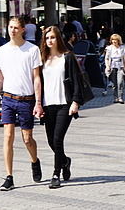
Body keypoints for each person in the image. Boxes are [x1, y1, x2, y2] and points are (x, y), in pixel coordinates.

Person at [0, 16, 43, 191]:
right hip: (8, 98)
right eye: (10, 27)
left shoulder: (32, 50)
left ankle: (35, 161)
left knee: (27, 139)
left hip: (26, 99)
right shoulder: (2, 51)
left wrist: (38, 102)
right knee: (8, 136)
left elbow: (37, 78)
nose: (12, 30)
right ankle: (9, 176)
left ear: (23, 30)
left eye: (15, 28)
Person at [39, 26, 87, 189]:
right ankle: (65, 161)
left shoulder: (67, 57)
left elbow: (76, 80)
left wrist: (75, 102)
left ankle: (55, 174)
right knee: (51, 142)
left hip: (64, 104)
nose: (50, 40)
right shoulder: (42, 59)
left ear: (58, 38)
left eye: (52, 37)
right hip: (47, 105)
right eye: (47, 38)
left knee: (58, 140)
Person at [104, 34, 125, 103]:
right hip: (112, 66)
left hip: (120, 66)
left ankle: (120, 97)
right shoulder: (109, 48)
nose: (114, 42)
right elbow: (106, 58)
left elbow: (124, 58)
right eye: (112, 40)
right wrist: (107, 66)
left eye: (115, 40)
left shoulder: (122, 48)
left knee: (120, 82)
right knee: (114, 84)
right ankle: (115, 97)